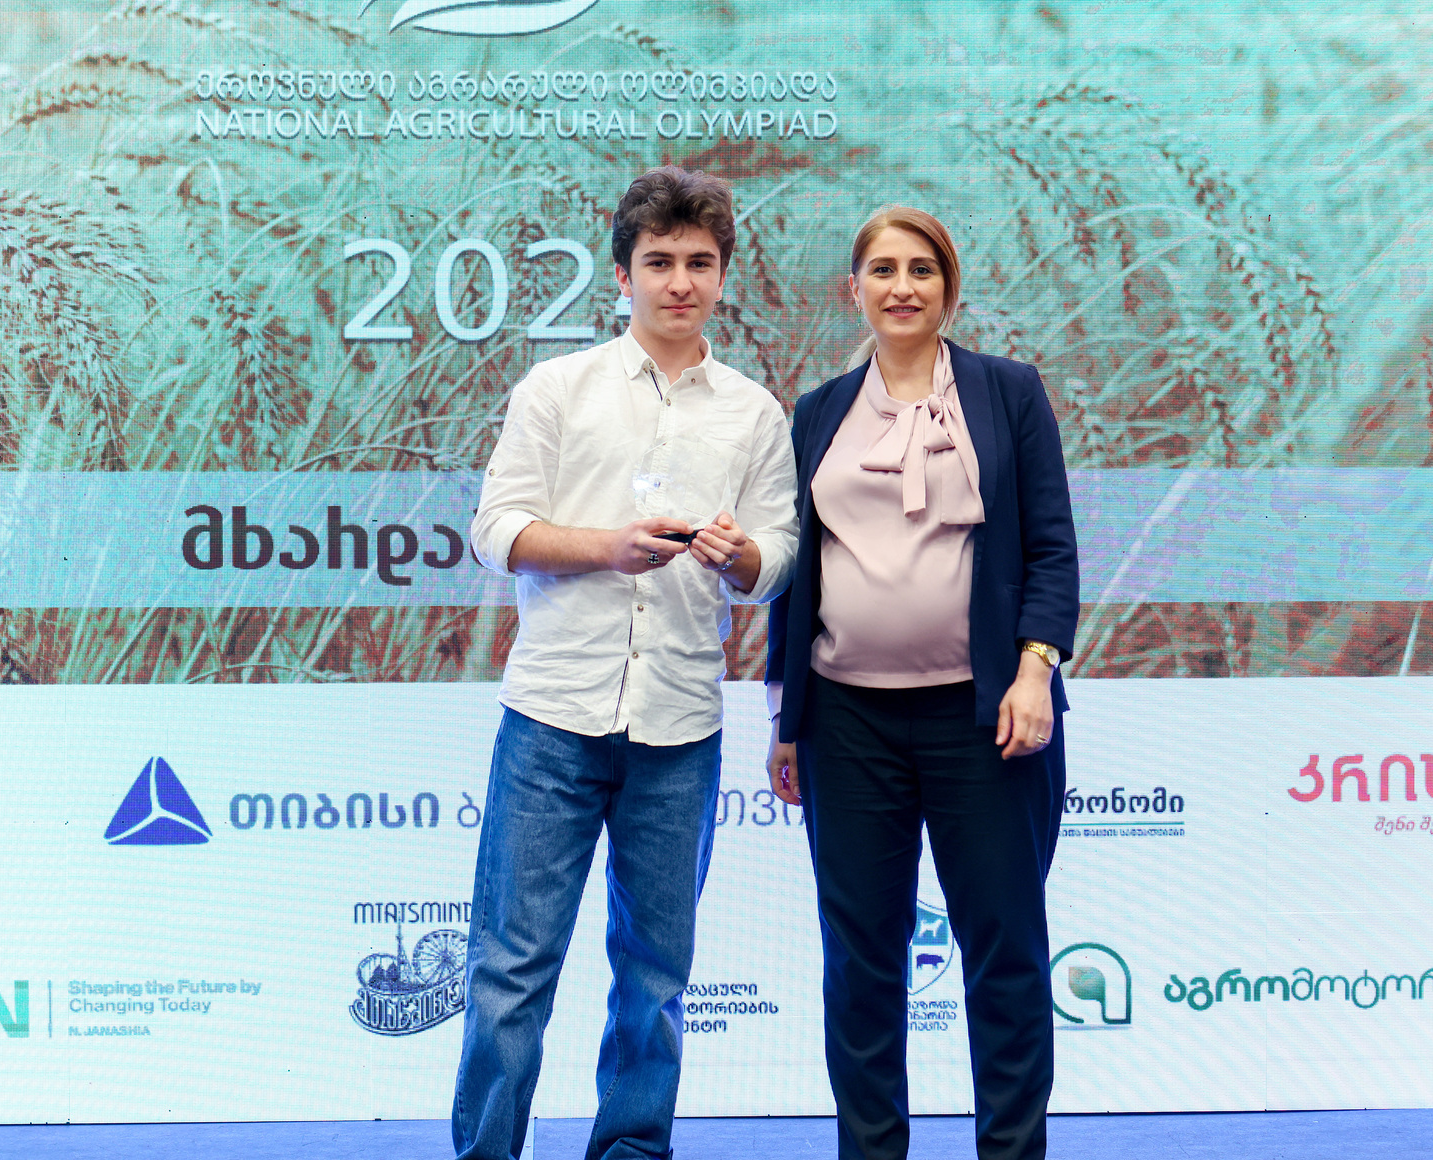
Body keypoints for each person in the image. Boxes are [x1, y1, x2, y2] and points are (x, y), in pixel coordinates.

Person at [455, 166, 799, 1160]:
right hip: (552, 719)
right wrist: (608, 546)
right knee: (510, 969)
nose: (679, 281)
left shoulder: (753, 414)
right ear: (622, 274)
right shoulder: (557, 389)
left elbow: (777, 559)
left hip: (680, 728)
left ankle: (633, 1150)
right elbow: (497, 531)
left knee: (655, 974)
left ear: (723, 275)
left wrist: (741, 556)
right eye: (658, 262)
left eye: (699, 262)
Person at [765, 206, 1079, 1160]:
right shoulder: (817, 411)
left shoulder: (1008, 392)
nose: (902, 287)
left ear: (949, 288)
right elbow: (799, 575)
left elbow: (1052, 547)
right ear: (853, 289)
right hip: (844, 722)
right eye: (883, 270)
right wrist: (787, 715)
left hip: (985, 718)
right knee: (861, 959)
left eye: (922, 270)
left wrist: (1034, 668)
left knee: (1006, 952)